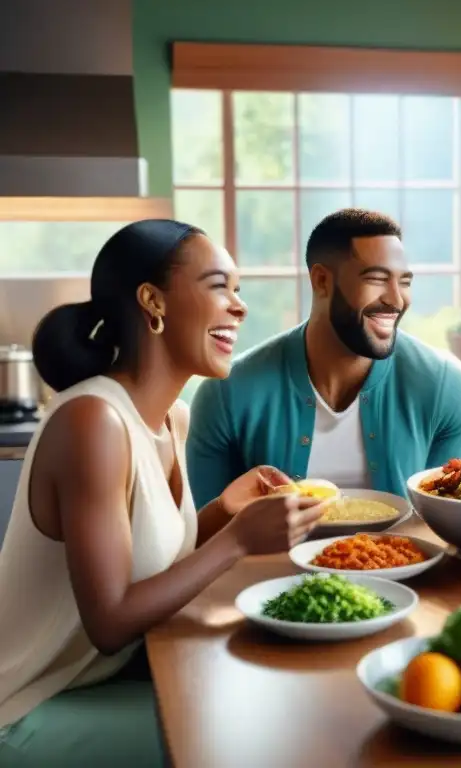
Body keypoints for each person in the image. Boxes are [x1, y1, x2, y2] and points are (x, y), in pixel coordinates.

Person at [0, 220, 324, 764]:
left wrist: (224, 512)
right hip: (24, 710)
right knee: (265, 733)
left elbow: (151, 570)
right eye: (220, 285)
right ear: (153, 301)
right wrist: (238, 540)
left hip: (98, 687)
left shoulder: (173, 418)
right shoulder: (93, 422)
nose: (239, 307)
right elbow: (110, 621)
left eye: (238, 290)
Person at [185, 208, 461, 509]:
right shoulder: (226, 393)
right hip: (273, 561)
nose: (396, 299)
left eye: (405, 282)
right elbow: (206, 533)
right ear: (321, 281)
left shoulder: (445, 385)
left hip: (411, 558)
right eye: (377, 278)